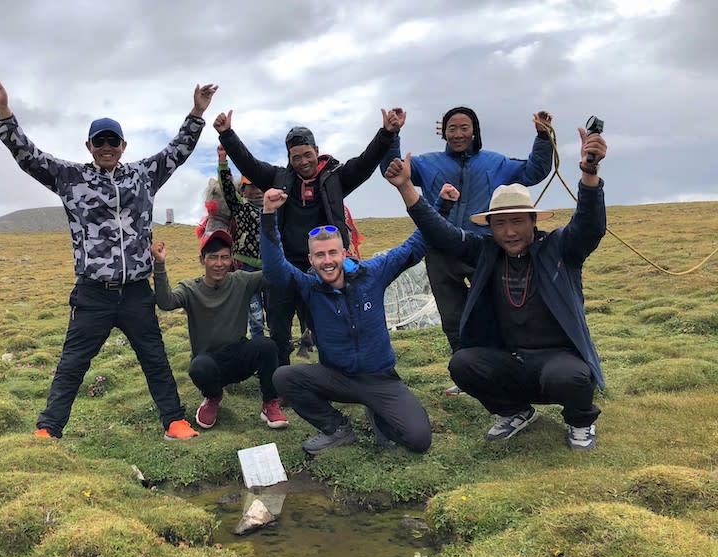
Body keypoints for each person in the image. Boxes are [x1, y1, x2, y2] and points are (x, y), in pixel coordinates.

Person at [0, 72, 217, 441]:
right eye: (99, 142)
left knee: (154, 358)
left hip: (137, 291)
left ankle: (174, 421)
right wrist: (6, 114)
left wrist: (197, 112)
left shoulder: (143, 176)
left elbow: (177, 151)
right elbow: (29, 157)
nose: (107, 147)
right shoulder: (70, 177)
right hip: (93, 292)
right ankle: (49, 429)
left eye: (113, 141)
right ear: (89, 146)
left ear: (123, 145)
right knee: (73, 363)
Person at [393, 125, 607, 451]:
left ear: (533, 222)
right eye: (500, 223)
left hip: (559, 360)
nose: (509, 232)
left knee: (570, 377)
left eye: (518, 221)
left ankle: (580, 422)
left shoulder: (560, 248)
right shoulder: (485, 252)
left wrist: (589, 173)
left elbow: (589, 225)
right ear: (490, 228)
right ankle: (516, 412)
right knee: (463, 364)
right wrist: (408, 188)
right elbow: (442, 234)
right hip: (513, 361)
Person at [214, 107, 406, 366]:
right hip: (284, 268)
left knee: (323, 325)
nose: (303, 161)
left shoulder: (336, 178)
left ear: (316, 150)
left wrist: (387, 133)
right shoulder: (278, 178)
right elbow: (248, 162)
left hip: (323, 268)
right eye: (296, 157)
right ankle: (279, 381)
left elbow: (366, 162)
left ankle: (332, 374)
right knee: (278, 328)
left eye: (307, 154)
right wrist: (227, 135)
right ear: (289, 158)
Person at [260, 175, 434, 455]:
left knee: (418, 440)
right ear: (311, 259)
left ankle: (378, 412)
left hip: (381, 378)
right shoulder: (309, 287)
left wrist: (442, 206)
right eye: (319, 256)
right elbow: (274, 269)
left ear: (344, 253)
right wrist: (268, 215)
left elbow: (415, 246)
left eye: (332, 253)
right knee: (284, 377)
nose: (327, 261)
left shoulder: (373, 273)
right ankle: (337, 429)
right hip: (336, 377)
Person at [380, 107, 554, 364]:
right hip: (440, 248)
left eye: (464, 128)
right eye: (452, 128)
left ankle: (504, 363)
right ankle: (466, 369)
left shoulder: (496, 163)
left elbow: (534, 172)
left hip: (483, 246)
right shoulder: (427, 164)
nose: (458, 134)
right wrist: (392, 135)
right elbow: (392, 168)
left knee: (494, 307)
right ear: (443, 132)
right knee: (451, 314)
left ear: (475, 131)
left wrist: (542, 137)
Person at [151, 232, 288, 430]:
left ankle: (269, 403)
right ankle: (213, 397)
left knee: (267, 346)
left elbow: (275, 276)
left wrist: (276, 240)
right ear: (202, 259)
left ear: (231, 260)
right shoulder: (190, 289)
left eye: (224, 257)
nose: (219, 263)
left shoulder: (241, 280)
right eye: (213, 257)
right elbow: (166, 302)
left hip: (239, 356)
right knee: (198, 367)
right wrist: (160, 265)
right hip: (209, 363)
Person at [216, 145, 267, 338]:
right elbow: (227, 188)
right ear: (243, 190)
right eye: (251, 186)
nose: (256, 190)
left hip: (273, 269)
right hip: (246, 268)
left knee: (275, 314)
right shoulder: (240, 207)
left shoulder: (278, 208)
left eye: (259, 185)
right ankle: (259, 351)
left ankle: (278, 357)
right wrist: (223, 161)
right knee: (255, 316)